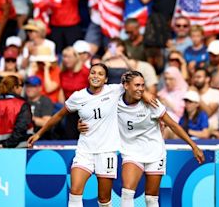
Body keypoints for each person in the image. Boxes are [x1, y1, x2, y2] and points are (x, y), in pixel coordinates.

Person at [27, 64, 155, 206]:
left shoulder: (114, 90)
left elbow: (134, 87)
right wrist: (39, 133)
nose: (96, 76)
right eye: (93, 73)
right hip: (85, 150)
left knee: (104, 199)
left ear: (106, 79)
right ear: (88, 76)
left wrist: (145, 94)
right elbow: (58, 115)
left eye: (100, 74)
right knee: (75, 192)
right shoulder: (78, 96)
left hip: (106, 152)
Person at [78, 71, 204, 207]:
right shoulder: (114, 102)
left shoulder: (151, 104)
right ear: (125, 86)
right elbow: (94, 112)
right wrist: (81, 124)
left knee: (151, 199)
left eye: (143, 86)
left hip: (155, 152)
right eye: (137, 85)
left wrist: (194, 146)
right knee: (127, 192)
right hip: (131, 152)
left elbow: (173, 124)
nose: (141, 89)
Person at [0, 75, 33, 148]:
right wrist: (4, 145)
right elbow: (21, 129)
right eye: (21, 85)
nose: (22, 88)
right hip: (19, 151)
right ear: (15, 87)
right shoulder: (22, 105)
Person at [59, 46, 89, 140]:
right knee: (69, 136)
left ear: (76, 57)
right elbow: (63, 91)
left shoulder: (85, 72)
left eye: (69, 57)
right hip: (70, 109)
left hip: (85, 109)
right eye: (64, 56)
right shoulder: (62, 73)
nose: (66, 59)